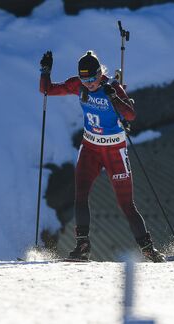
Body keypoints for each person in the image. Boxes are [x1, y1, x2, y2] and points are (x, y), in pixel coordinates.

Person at [39, 50, 166, 262]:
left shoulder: (111, 87)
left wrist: (115, 96)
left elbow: (130, 115)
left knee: (126, 204)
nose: (88, 84)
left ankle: (148, 249)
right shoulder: (77, 84)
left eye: (92, 79)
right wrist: (45, 71)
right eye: (84, 79)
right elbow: (47, 90)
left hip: (114, 151)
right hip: (90, 149)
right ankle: (82, 246)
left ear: (100, 73)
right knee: (80, 195)